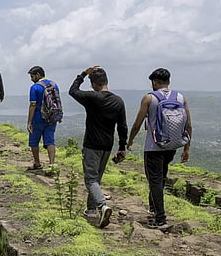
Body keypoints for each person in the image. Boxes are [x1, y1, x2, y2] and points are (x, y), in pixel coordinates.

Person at [128, 68, 193, 230]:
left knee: (155, 181)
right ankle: (153, 209)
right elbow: (189, 125)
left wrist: (130, 141)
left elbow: (137, 123)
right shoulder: (180, 98)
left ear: (154, 82)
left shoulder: (149, 98)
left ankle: (160, 218)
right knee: (160, 179)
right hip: (171, 145)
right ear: (168, 82)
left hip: (153, 147)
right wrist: (186, 148)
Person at [69, 65, 128, 228]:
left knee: (90, 180)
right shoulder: (118, 101)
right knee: (96, 179)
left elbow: (73, 91)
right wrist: (122, 146)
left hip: (92, 144)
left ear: (94, 83)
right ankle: (91, 210)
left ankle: (102, 206)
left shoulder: (93, 97)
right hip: (107, 146)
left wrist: (82, 74)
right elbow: (122, 126)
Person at [26, 66, 60, 169]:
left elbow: (33, 105)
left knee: (34, 141)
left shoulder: (35, 87)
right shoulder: (54, 84)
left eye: (32, 76)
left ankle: (37, 163)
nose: (31, 79)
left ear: (38, 75)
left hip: (38, 117)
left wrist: (29, 122)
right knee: (50, 140)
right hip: (52, 116)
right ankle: (52, 164)